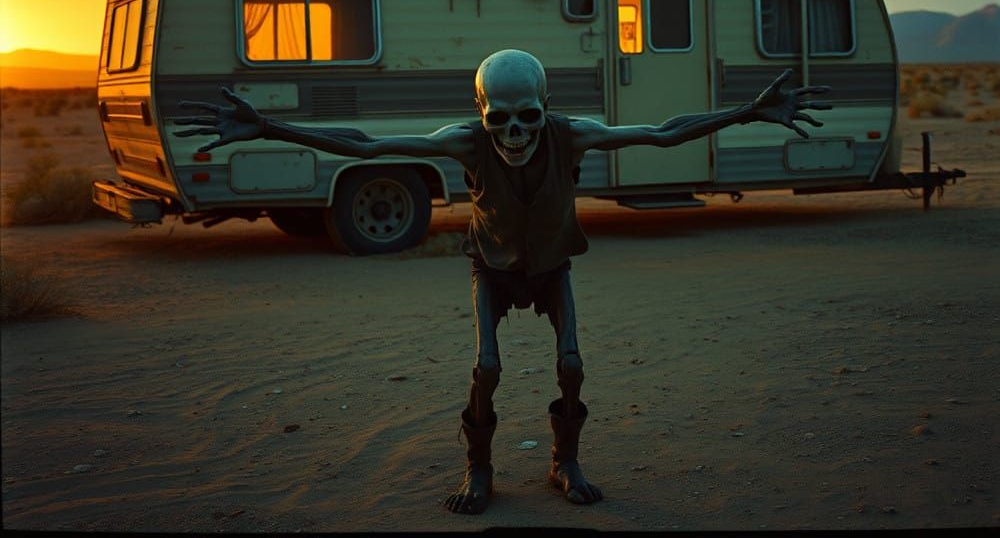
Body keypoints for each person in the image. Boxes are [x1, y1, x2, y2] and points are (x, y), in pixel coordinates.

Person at [176, 49, 830, 514]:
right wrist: (267, 127)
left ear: (545, 108)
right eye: (501, 119)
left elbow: (661, 134)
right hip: (491, 267)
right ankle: (480, 467)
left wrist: (748, 112)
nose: (514, 133)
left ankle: (563, 461)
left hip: (550, 267)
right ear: (481, 112)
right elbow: (370, 145)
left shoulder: (570, 136)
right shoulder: (466, 141)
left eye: (527, 117)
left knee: (571, 363)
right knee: (485, 366)